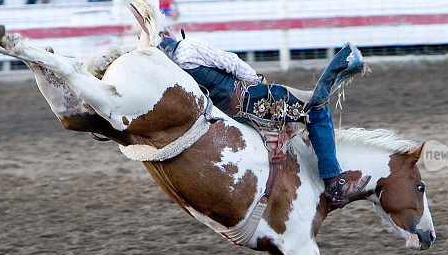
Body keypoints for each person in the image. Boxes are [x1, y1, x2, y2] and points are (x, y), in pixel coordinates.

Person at [156, 36, 371, 210]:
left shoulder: (168, 68)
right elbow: (232, 63)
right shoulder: (188, 48)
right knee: (316, 109)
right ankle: (335, 182)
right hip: (247, 97)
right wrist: (257, 82)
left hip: (226, 112)